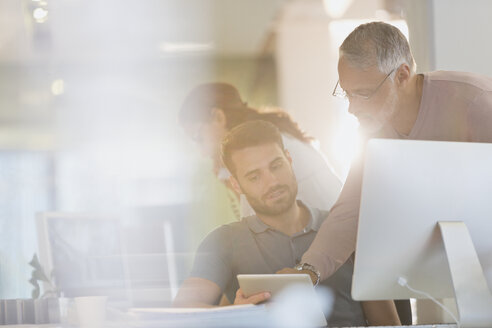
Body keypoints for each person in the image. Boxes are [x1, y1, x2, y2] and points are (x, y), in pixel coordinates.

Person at [277, 21, 492, 324]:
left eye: (363, 93)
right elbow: (350, 210)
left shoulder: (476, 102)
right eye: (347, 93)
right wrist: (307, 272)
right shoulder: (371, 131)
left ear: (402, 75)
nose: (351, 107)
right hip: (452, 271)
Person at [173, 120, 401, 326]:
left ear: (289, 160)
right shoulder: (223, 241)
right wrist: (235, 314)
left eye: (276, 166)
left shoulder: (343, 228)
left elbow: (388, 323)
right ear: (236, 185)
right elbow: (180, 314)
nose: (272, 182)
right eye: (254, 176)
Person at [179, 83, 342, 221]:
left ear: (218, 117)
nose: (203, 153)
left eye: (199, 138)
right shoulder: (267, 138)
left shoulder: (261, 150)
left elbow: (264, 231)